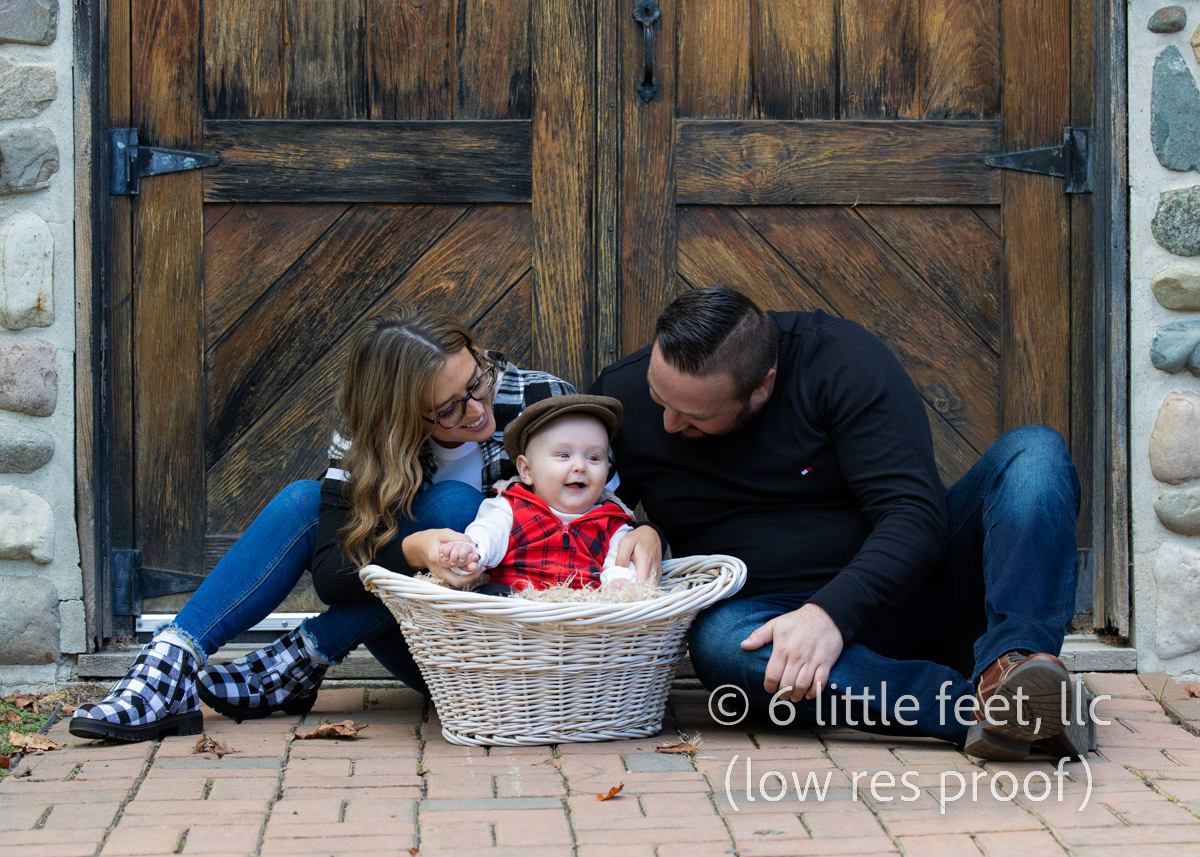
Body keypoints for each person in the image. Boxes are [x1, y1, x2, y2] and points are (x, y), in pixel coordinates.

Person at [70, 306, 663, 741]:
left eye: (478, 380)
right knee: (304, 501)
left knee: (457, 508)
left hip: (497, 652)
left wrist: (644, 531)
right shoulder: (366, 440)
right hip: (417, 633)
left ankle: (304, 656)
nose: (478, 408)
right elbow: (333, 575)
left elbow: (605, 521)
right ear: (402, 414)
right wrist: (414, 552)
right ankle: (172, 661)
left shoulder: (541, 400)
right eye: (449, 409)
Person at [590, 286, 1081, 761]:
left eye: (695, 416)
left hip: (915, 598)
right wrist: (643, 529)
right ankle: (995, 710)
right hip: (773, 626)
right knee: (721, 645)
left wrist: (828, 615)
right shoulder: (621, 394)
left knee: (1035, 454)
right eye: (659, 396)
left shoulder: (842, 361)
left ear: (762, 387)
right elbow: (573, 516)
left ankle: (1014, 664)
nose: (669, 423)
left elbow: (914, 515)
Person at [437, 394, 638, 594]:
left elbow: (621, 564)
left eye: (593, 458)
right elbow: (487, 533)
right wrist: (471, 551)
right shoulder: (511, 507)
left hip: (581, 607)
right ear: (527, 471)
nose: (580, 466)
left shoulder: (612, 522)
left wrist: (620, 581)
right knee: (489, 592)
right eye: (564, 455)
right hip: (514, 602)